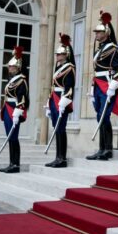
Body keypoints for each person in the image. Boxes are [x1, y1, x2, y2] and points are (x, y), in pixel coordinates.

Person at [88, 11, 118, 161]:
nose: (96, 34)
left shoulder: (112, 49)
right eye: (96, 31)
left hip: (107, 86)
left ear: (107, 33)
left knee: (104, 116)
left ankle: (107, 149)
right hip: (98, 85)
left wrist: (112, 86)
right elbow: (96, 71)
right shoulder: (98, 50)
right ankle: (101, 148)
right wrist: (91, 88)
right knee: (99, 116)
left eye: (99, 31)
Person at [45, 33, 76, 168]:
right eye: (57, 54)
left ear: (65, 55)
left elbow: (70, 86)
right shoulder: (58, 67)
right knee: (56, 128)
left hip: (62, 99)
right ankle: (57, 156)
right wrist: (49, 101)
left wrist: (66, 100)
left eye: (59, 54)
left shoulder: (69, 67)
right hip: (55, 99)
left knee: (61, 128)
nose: (57, 56)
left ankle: (62, 158)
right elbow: (53, 86)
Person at [0, 46, 29, 174]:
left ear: (17, 68)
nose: (9, 68)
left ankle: (15, 164)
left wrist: (19, 110)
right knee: (10, 137)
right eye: (9, 66)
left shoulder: (22, 80)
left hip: (14, 109)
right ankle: (11, 163)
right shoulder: (11, 80)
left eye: (11, 67)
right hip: (7, 108)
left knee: (13, 137)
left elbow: (22, 97)